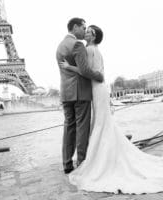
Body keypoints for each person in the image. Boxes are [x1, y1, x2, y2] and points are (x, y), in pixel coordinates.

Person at [59, 25, 163, 194]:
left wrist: (70, 68)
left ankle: (98, 159)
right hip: (97, 89)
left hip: (97, 89)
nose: (85, 32)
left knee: (100, 124)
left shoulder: (90, 49)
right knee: (102, 124)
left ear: (93, 36)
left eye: (89, 31)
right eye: (86, 30)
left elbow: (89, 72)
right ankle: (102, 157)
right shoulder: (93, 49)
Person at [56, 18, 104, 174]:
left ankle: (67, 163)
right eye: (83, 28)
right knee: (82, 128)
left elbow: (67, 70)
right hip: (80, 93)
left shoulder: (60, 46)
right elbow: (84, 70)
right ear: (75, 27)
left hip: (66, 93)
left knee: (68, 128)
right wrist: (99, 76)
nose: (84, 31)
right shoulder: (77, 44)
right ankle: (82, 163)